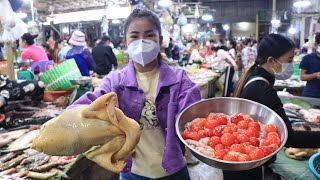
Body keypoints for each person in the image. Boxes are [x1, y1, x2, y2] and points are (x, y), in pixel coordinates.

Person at [67, 9, 201, 179]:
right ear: (126, 42)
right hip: (133, 172)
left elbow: (194, 119)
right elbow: (89, 104)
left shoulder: (180, 81)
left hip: (173, 171)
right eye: (135, 36)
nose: (142, 41)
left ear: (160, 41)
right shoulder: (115, 82)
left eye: (149, 35)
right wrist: (67, 120)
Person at [234, 34, 320, 179]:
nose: (292, 66)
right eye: (289, 60)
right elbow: (289, 138)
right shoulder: (262, 88)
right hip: (251, 166)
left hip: (248, 157)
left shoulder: (256, 78)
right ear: (271, 61)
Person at [299, 32, 320, 98]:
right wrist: (315, 75)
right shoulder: (308, 58)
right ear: (316, 44)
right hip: (312, 94)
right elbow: (302, 77)